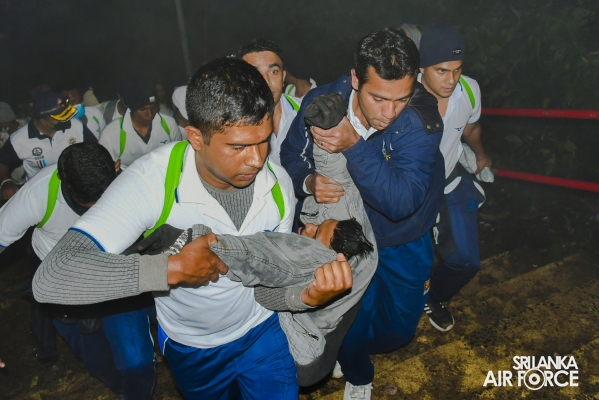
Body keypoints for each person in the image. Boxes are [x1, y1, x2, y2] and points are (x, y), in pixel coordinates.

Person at [33, 57, 352, 399]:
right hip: (194, 346)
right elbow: (53, 276)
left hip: (263, 332)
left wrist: (305, 296)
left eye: (263, 141)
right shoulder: (153, 182)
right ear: (196, 137)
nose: (257, 160)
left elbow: (264, 286)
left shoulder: (278, 188)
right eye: (238, 146)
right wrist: (169, 269)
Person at [280, 28, 445, 399]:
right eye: (378, 98)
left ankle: (350, 348)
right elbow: (290, 155)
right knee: (351, 318)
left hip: (401, 235)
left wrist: (353, 144)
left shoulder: (421, 118)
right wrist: (308, 180)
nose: (389, 113)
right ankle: (357, 372)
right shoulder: (322, 100)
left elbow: (401, 202)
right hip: (346, 234)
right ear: (356, 78)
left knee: (400, 329)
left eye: (401, 98)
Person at [0, 143, 127, 395]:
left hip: (113, 268)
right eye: (83, 204)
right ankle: (120, 387)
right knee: (95, 355)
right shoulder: (38, 193)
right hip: (59, 274)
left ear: (116, 168)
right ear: (60, 178)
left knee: (134, 355)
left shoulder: (131, 182)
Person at [418, 23, 493, 332]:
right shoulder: (400, 97)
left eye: (457, 69)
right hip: (413, 194)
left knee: (466, 260)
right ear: (421, 68)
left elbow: (470, 128)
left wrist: (480, 154)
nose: (451, 80)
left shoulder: (469, 90)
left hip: (450, 182)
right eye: (442, 70)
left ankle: (434, 296)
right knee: (411, 263)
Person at [0, 92, 97, 201]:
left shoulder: (77, 126)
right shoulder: (19, 140)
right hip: (39, 195)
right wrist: (6, 182)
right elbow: (2, 162)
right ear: (43, 121)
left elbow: (95, 151)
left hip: (74, 189)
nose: (67, 120)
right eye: (60, 117)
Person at [237, 39, 301, 166]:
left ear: (283, 77)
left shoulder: (305, 111)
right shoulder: (231, 126)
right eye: (255, 74)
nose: (266, 82)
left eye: (273, 72)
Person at [99, 81, 181, 169]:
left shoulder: (169, 124)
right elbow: (103, 168)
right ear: (132, 108)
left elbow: (179, 155)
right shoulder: (110, 133)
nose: (150, 114)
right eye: (143, 109)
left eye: (154, 108)